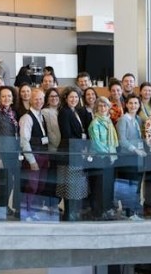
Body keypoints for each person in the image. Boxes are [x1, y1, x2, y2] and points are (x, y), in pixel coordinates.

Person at [0, 85, 21, 219]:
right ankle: (0, 209)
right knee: (4, 183)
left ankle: (5, 207)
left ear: (12, 99)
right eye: (3, 96)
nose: (6, 98)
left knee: (11, 183)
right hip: (2, 154)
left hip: (13, 153)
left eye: (9, 96)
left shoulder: (13, 112)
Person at [57, 88, 89, 221]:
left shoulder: (75, 111)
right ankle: (69, 214)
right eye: (71, 97)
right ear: (65, 98)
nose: (74, 99)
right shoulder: (64, 112)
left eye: (76, 97)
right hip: (69, 153)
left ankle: (73, 213)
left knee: (76, 185)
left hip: (76, 153)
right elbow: (67, 135)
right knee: (70, 187)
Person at [18, 88, 49, 219]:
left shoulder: (41, 115)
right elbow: (24, 141)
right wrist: (31, 161)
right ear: (30, 100)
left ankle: (33, 212)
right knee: (31, 187)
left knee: (40, 187)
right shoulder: (26, 118)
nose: (39, 101)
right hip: (34, 158)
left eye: (41, 98)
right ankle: (26, 214)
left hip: (43, 157)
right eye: (36, 99)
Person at [116, 94, 147, 220]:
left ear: (139, 105)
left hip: (138, 157)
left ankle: (135, 211)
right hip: (127, 157)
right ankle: (128, 211)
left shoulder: (139, 119)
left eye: (136, 103)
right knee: (129, 185)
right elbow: (122, 140)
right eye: (131, 103)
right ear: (126, 105)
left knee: (137, 185)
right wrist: (135, 150)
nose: (133, 105)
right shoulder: (123, 120)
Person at [87, 96, 119, 220]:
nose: (102, 108)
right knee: (99, 187)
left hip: (110, 158)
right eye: (100, 106)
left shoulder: (109, 121)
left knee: (108, 186)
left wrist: (112, 154)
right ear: (96, 107)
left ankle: (107, 209)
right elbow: (96, 143)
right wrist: (108, 154)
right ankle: (98, 212)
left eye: (105, 105)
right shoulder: (95, 123)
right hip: (101, 158)